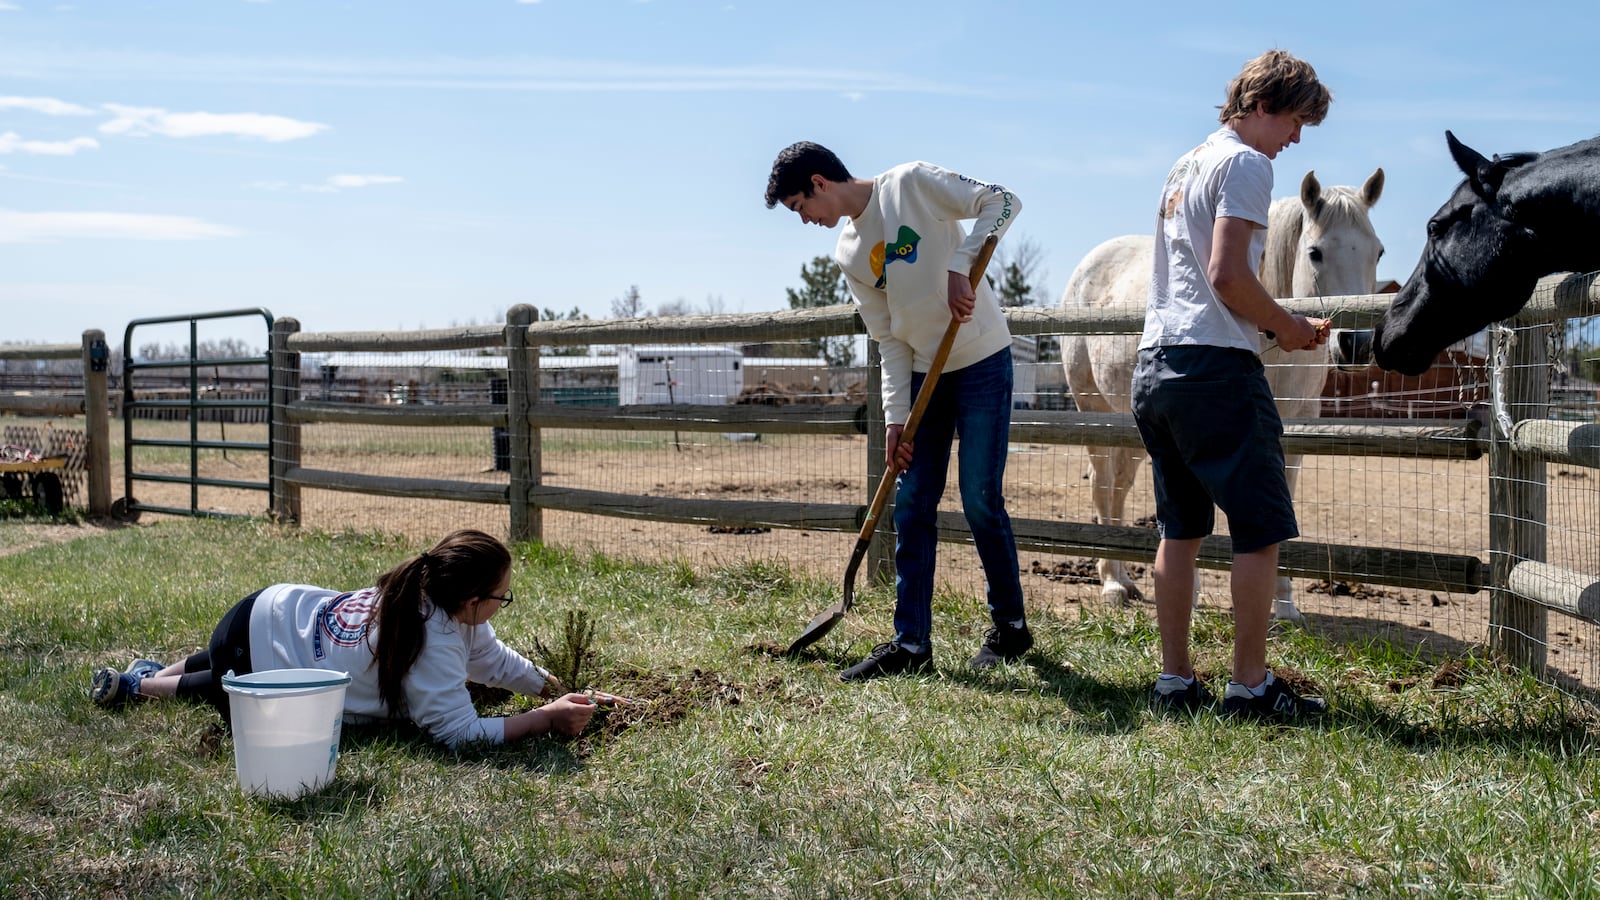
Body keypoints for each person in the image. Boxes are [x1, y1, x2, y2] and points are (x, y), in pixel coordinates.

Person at [765, 141, 1032, 681]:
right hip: (919, 376)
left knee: (980, 499)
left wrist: (962, 265)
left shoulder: (910, 184)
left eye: (800, 207)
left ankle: (1011, 628)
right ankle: (911, 642)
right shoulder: (848, 252)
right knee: (912, 504)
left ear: (820, 183)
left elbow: (1003, 202)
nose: (805, 220)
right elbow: (888, 338)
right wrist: (895, 417)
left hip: (979, 357)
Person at [1134, 50, 1332, 719]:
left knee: (1180, 530)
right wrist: (1286, 326)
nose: (1297, 137)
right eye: (1297, 120)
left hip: (1157, 364)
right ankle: (1249, 687)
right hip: (1215, 366)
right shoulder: (1249, 164)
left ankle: (1175, 681)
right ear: (1266, 105)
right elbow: (1226, 274)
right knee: (1258, 528)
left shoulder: (1186, 162)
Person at [90, 529, 599, 747]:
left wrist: (548, 686)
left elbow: (491, 660)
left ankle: (150, 669)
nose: (501, 605)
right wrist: (544, 719)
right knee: (224, 687)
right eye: (502, 597)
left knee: (219, 657)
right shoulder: (435, 644)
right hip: (251, 648)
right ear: (472, 601)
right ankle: (139, 688)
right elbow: (458, 734)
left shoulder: (425, 593)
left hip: (261, 609)